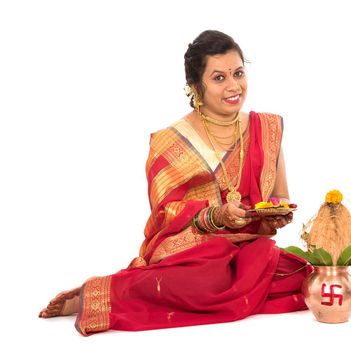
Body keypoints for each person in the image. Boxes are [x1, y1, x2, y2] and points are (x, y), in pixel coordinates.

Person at [38, 30, 312, 335]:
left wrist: (277, 212)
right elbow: (165, 213)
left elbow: (279, 197)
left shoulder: (267, 127)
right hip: (194, 253)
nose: (234, 86)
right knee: (200, 281)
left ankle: (224, 286)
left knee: (305, 275)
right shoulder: (170, 142)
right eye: (219, 78)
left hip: (248, 250)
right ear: (196, 87)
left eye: (238, 73)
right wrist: (215, 216)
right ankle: (104, 293)